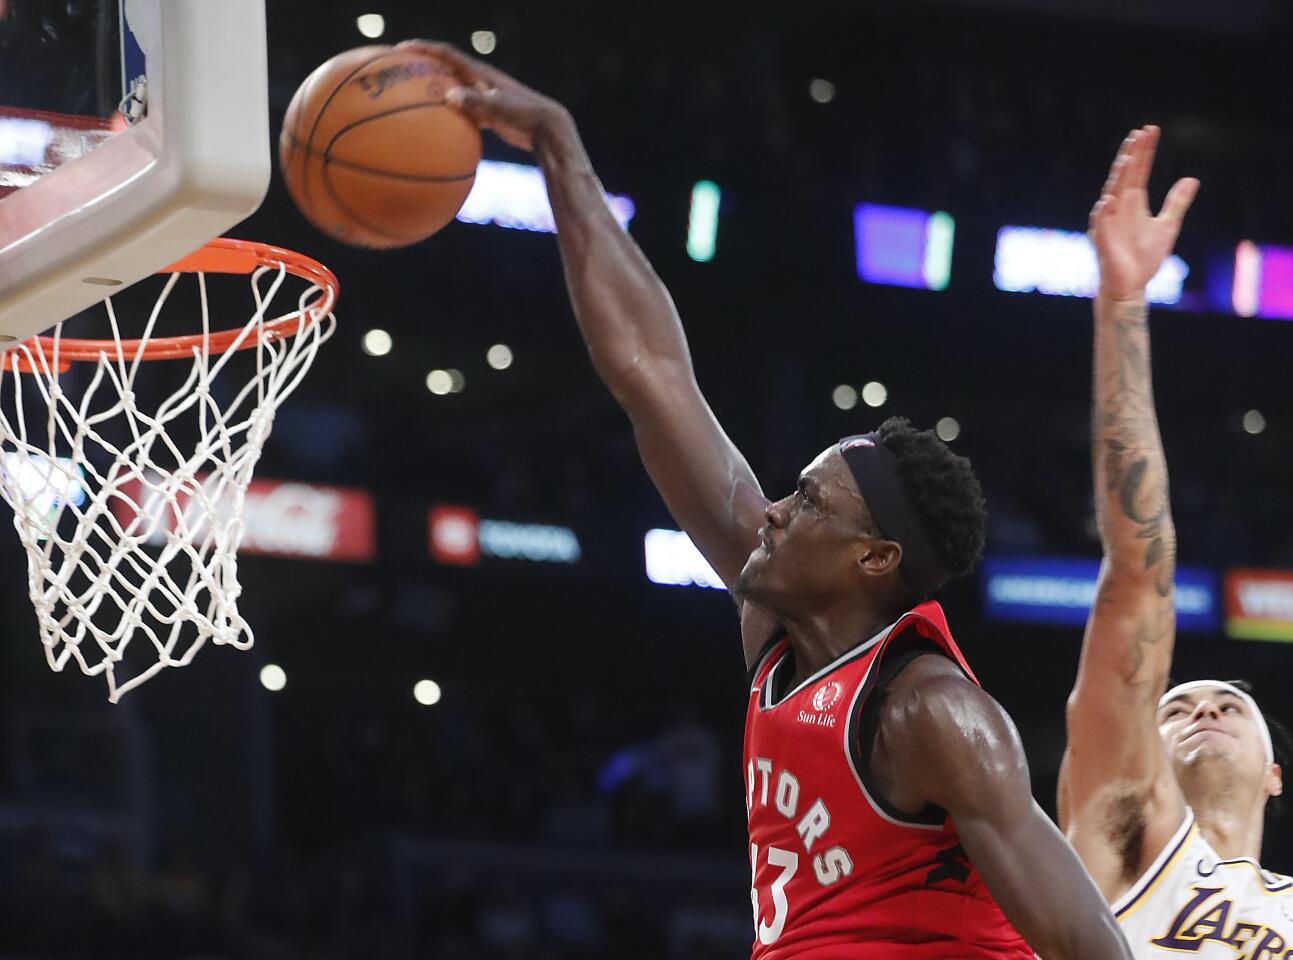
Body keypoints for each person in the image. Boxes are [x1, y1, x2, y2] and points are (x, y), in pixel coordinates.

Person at [406, 40, 1132, 960]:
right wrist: (559, 146)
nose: (777, 511)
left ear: (873, 559)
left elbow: (1089, 948)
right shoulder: (774, 622)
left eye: (812, 503)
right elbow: (652, 375)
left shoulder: (933, 715)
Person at [1059, 124, 1292, 955]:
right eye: (1175, 706)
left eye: (1228, 705)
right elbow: (1136, 579)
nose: (1203, 708)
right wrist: (1121, 303)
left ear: (1276, 773)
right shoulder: (1120, 843)